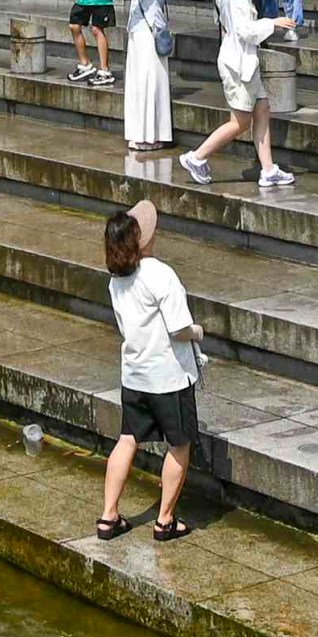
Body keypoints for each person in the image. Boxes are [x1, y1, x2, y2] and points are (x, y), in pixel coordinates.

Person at [96, 201, 203, 543]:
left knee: (127, 438)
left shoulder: (117, 280)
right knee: (179, 443)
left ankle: (109, 516)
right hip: (168, 376)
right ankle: (165, 520)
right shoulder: (160, 274)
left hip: (135, 374)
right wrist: (198, 332)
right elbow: (179, 329)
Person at [181, 0, 301, 194]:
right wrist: (273, 22)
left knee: (263, 108)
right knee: (240, 122)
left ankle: (268, 169)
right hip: (238, 64)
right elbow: (246, 31)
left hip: (244, 62)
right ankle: (197, 157)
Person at [115, 0, 180, 151]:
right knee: (138, 85)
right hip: (137, 35)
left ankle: (153, 135)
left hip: (149, 37)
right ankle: (139, 133)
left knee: (151, 85)